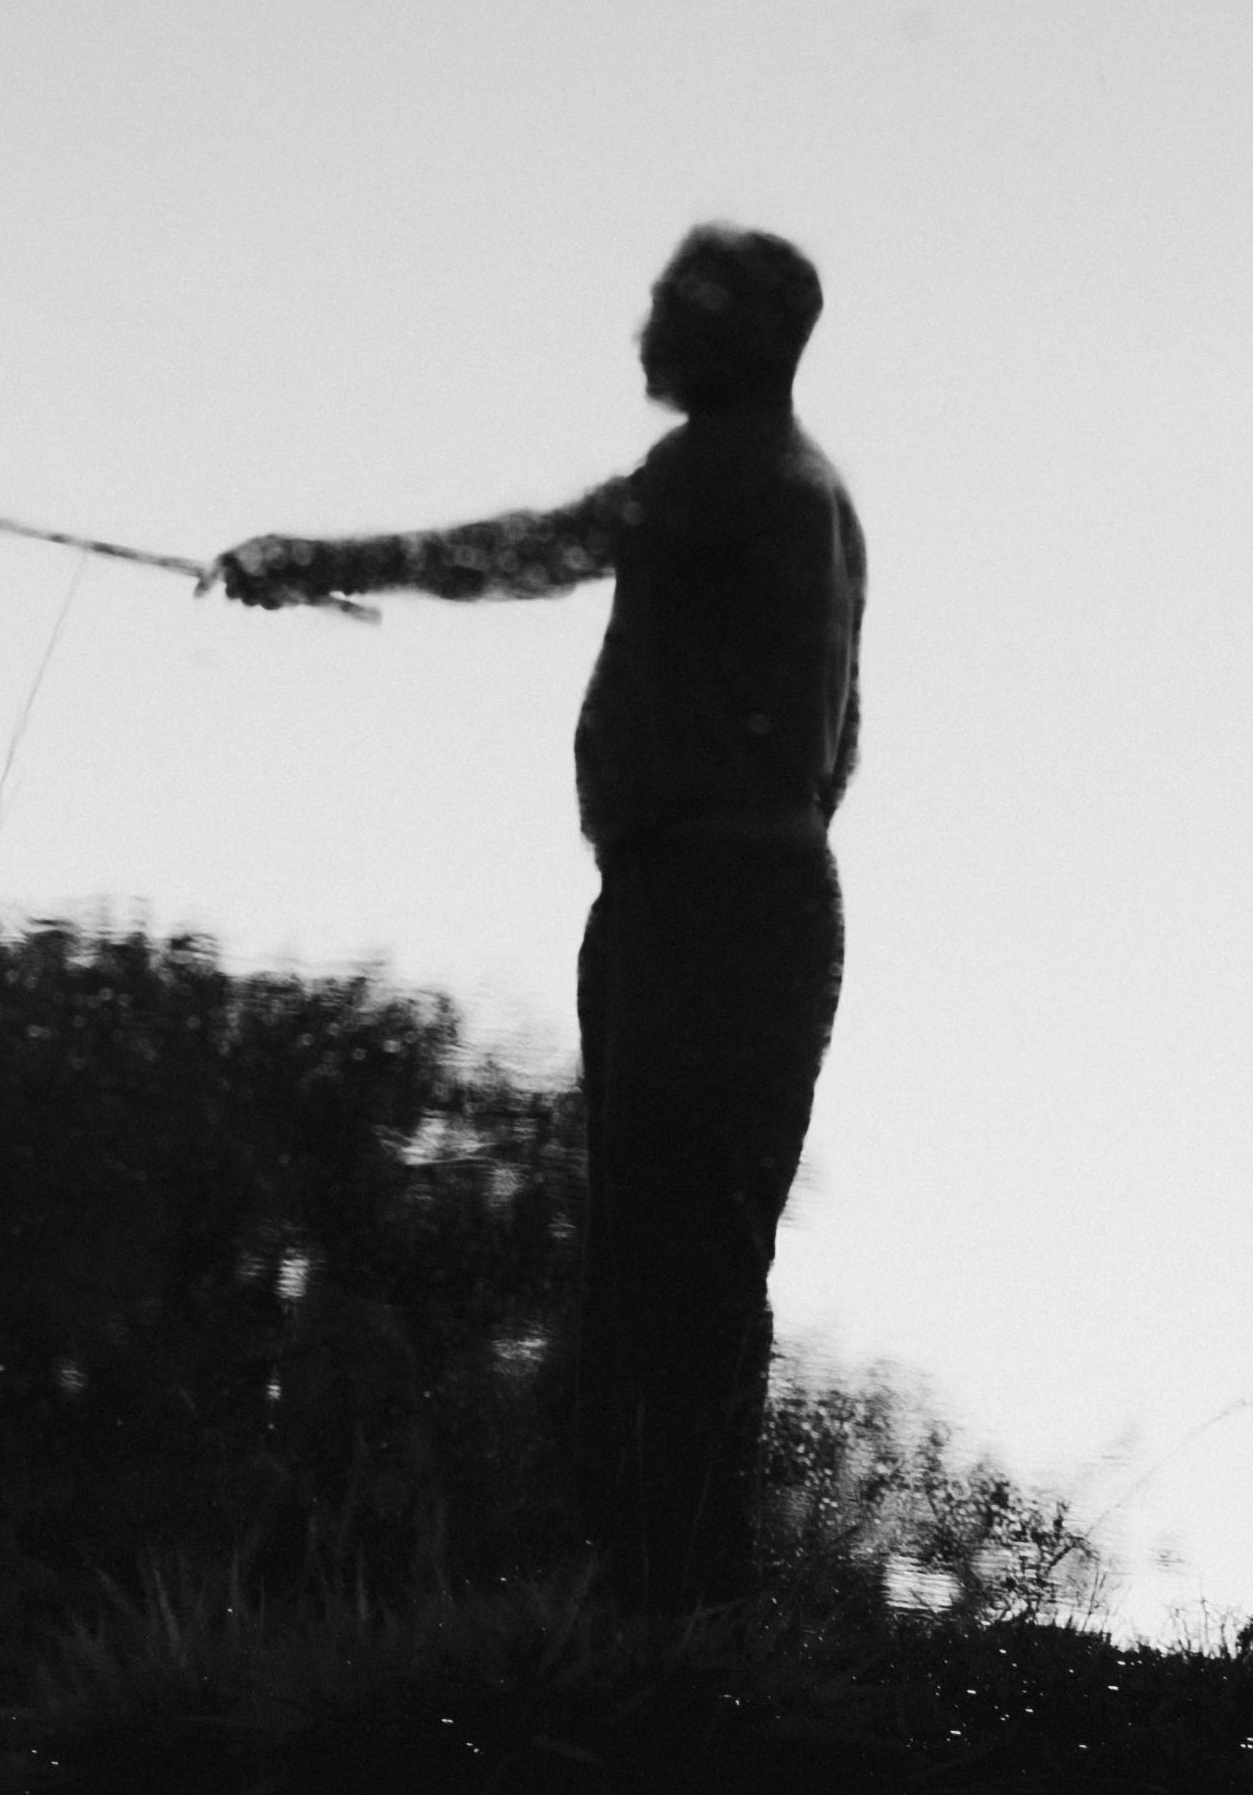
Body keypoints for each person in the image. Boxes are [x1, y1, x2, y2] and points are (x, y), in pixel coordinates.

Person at [212, 224, 865, 1619]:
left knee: (666, 1280)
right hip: (719, 902)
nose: (645, 327)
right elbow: (838, 744)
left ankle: (672, 1624)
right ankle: (674, 1611)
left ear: (741, 335)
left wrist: (320, 558)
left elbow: (539, 550)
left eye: (673, 306)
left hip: (707, 908)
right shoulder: (804, 495)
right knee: (676, 1268)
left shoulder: (731, 473)